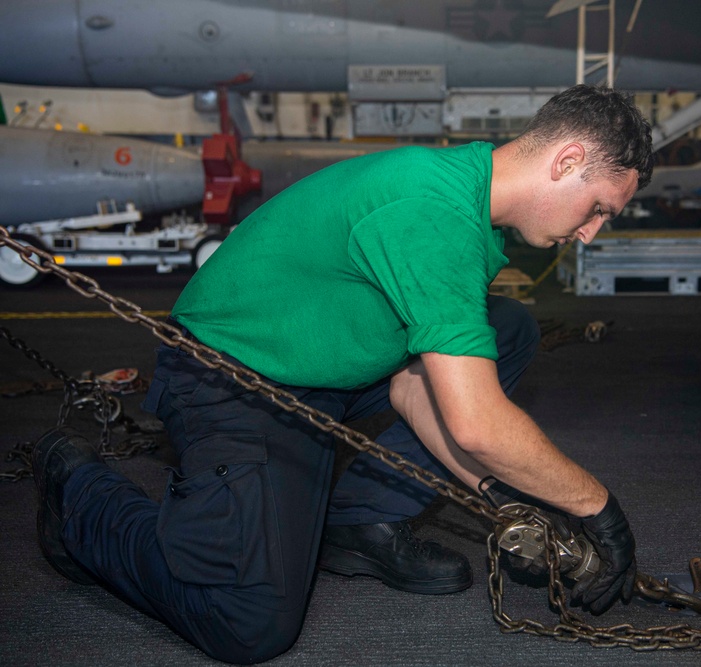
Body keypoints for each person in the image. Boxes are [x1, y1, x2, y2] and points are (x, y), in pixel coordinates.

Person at [32, 85, 654, 664]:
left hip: (320, 369)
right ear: (567, 159)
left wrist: (507, 507)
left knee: (506, 329)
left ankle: (361, 520)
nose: (592, 232)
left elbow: (416, 390)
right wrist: (598, 509)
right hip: (229, 377)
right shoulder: (431, 213)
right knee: (248, 622)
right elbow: (475, 423)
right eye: (599, 207)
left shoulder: (471, 201)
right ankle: (80, 492)